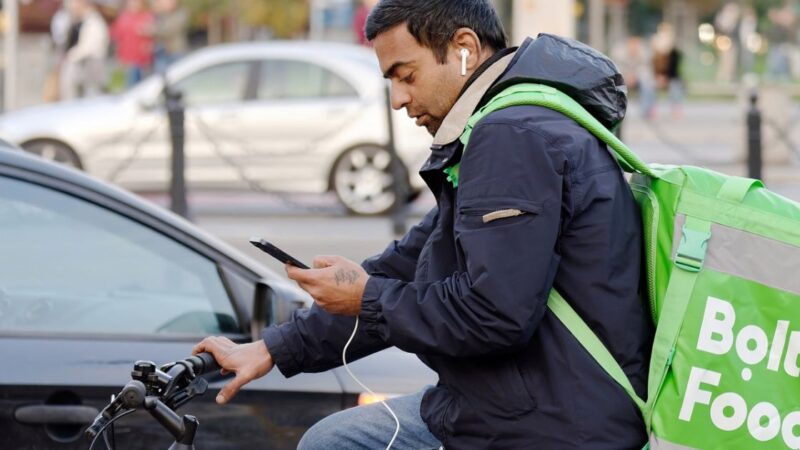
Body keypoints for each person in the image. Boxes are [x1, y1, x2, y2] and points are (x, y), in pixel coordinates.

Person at [194, 0, 651, 448]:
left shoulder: (512, 136)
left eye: (406, 76)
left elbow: (493, 314)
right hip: (509, 402)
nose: (398, 100)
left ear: (464, 49)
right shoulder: (503, 125)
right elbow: (413, 261)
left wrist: (365, 297)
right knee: (335, 437)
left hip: (549, 424)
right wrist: (275, 348)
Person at [59, 0, 109, 101]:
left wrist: (71, 55)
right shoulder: (79, 21)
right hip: (84, 64)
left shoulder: (93, 22)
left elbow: (88, 47)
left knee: (91, 94)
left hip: (91, 64)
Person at [110, 0, 154, 88]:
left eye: (136, 2)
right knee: (131, 86)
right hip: (127, 59)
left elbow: (154, 36)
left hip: (143, 59)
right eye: (131, 2)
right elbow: (115, 35)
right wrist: (120, 57)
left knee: (144, 86)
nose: (133, 4)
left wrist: (148, 32)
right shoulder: (123, 17)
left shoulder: (147, 16)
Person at [151, 0, 188, 74]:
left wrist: (153, 29)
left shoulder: (181, 14)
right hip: (163, 53)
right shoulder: (160, 15)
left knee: (179, 75)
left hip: (177, 51)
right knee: (160, 77)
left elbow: (168, 30)